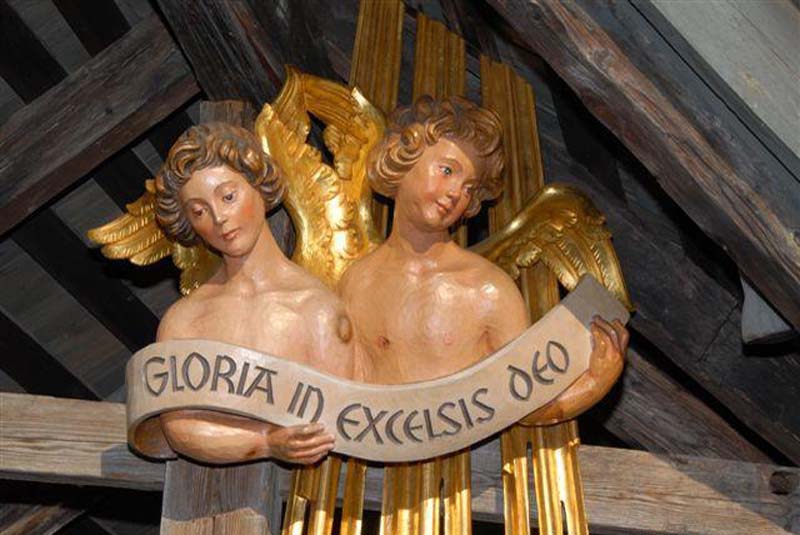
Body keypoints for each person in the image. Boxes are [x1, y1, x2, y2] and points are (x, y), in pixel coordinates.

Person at [339, 96, 628, 421]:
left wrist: (593, 383)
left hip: (465, 453)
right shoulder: (356, 281)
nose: (455, 193)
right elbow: (338, 396)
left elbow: (521, 403)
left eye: (468, 188)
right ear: (401, 158)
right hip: (365, 450)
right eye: (447, 170)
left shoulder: (488, 290)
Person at [153, 122, 355, 464]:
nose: (219, 218)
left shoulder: (317, 308)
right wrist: (266, 442)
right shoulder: (183, 320)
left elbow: (335, 421)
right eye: (199, 211)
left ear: (259, 186)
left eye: (228, 197)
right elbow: (179, 428)